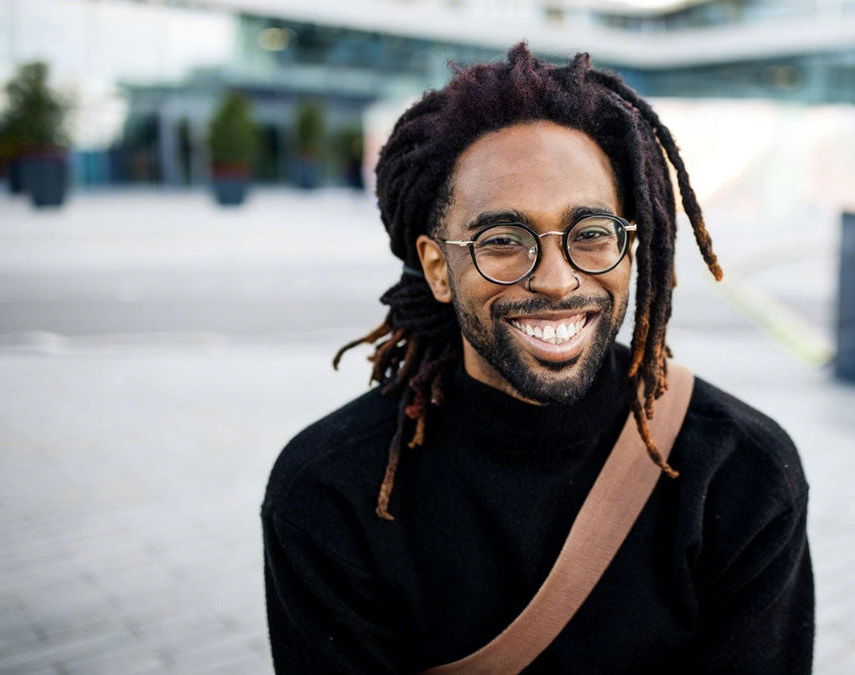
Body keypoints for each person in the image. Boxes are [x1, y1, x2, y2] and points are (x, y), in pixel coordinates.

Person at [262, 43, 814, 673]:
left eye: (591, 235)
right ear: (439, 268)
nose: (556, 281)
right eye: (503, 240)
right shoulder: (331, 494)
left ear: (630, 249)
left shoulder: (741, 474)